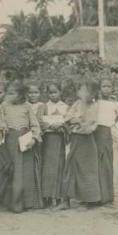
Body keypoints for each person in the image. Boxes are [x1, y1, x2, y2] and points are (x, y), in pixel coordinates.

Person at [0, 82, 43, 213]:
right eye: (8, 93)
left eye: (12, 93)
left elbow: (35, 124)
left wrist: (34, 138)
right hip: (9, 140)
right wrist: (2, 125)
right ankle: (10, 203)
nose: (8, 96)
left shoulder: (27, 107)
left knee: (23, 172)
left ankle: (25, 203)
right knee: (11, 171)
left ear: (21, 95)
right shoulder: (4, 106)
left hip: (24, 141)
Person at [61, 79, 101, 210]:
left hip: (87, 141)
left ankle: (88, 200)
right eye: (81, 90)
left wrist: (78, 122)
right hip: (75, 139)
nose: (81, 92)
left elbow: (90, 125)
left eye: (84, 90)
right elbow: (68, 117)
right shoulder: (77, 103)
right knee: (70, 166)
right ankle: (66, 199)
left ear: (93, 94)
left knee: (86, 169)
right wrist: (75, 121)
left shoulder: (95, 106)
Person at [95, 76, 118, 205]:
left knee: (106, 163)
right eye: (103, 86)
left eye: (108, 86)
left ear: (112, 88)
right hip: (94, 133)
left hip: (105, 134)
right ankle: (95, 195)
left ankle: (106, 196)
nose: (106, 89)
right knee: (95, 162)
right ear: (99, 88)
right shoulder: (95, 103)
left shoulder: (115, 104)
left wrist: (114, 131)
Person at [40, 80, 68, 208]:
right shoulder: (44, 106)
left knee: (59, 167)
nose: (53, 95)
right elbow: (40, 121)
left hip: (59, 139)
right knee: (47, 167)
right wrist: (50, 125)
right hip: (48, 139)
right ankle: (46, 196)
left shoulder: (65, 107)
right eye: (50, 93)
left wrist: (62, 125)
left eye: (55, 92)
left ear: (60, 92)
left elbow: (68, 122)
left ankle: (58, 196)